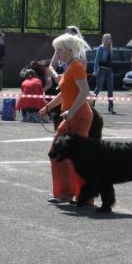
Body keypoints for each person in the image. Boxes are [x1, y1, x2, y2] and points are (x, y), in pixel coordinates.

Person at [37, 33, 94, 205]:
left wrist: (71, 111)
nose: (57, 53)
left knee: (69, 155)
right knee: (60, 153)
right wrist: (47, 107)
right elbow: (65, 94)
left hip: (79, 115)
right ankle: (68, 193)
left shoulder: (76, 66)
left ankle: (79, 195)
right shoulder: (70, 67)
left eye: (59, 50)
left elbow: (85, 92)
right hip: (72, 115)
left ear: (69, 50)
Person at [93, 33, 116, 114]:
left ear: (110, 40)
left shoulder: (110, 49)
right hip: (101, 70)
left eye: (108, 38)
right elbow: (96, 60)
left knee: (110, 90)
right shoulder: (101, 48)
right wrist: (95, 70)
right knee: (98, 88)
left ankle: (111, 107)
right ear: (103, 39)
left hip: (109, 71)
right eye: (105, 38)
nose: (107, 40)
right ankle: (91, 105)